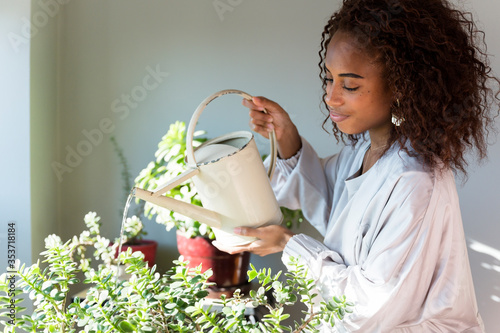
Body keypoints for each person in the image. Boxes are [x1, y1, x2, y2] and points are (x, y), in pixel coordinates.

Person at [213, 0, 500, 331]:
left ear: (401, 86)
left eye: (349, 85)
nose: (331, 97)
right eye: (329, 79)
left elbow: (368, 307)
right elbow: (327, 200)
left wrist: (287, 245)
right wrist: (287, 136)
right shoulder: (367, 148)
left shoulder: (414, 180)